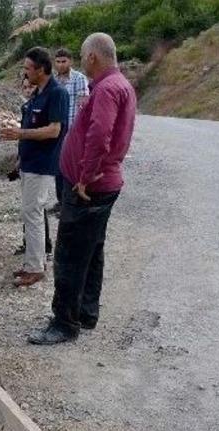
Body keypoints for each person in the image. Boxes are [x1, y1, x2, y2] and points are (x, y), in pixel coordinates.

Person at [28, 33, 136, 345]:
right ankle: (86, 312)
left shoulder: (107, 89)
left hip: (90, 188)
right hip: (102, 183)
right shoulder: (119, 85)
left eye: (82, 55)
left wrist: (85, 177)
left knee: (70, 255)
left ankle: (64, 323)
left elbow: (100, 135)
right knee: (92, 250)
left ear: (92, 57)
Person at [1, 47, 69, 287]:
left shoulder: (57, 93)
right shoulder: (38, 93)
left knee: (33, 213)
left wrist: (20, 133)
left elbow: (54, 130)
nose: (25, 73)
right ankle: (33, 261)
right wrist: (20, 157)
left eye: (28, 68)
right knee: (30, 213)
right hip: (29, 163)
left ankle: (35, 268)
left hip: (42, 164)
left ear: (41, 70)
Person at [11, 74, 53, 258]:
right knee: (29, 207)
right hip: (26, 160)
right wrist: (19, 158)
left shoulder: (43, 107)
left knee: (36, 208)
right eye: (25, 88)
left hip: (39, 163)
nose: (28, 91)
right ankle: (29, 243)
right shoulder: (26, 107)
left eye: (31, 87)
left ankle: (44, 247)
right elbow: (23, 137)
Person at [51, 48, 90, 210]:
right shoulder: (52, 79)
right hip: (56, 129)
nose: (61, 65)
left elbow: (84, 105)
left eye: (64, 61)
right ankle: (61, 201)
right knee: (58, 166)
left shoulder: (79, 79)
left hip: (73, 130)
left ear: (70, 61)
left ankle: (71, 203)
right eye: (58, 62)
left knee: (72, 167)